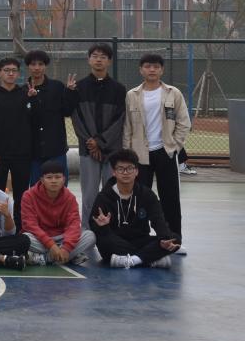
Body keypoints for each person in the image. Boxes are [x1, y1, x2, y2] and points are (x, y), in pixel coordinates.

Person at [122, 53, 190, 247]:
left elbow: (184, 122)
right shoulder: (132, 95)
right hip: (139, 155)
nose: (152, 70)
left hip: (165, 152)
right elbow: (127, 127)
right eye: (147, 66)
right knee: (138, 197)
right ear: (141, 70)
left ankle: (173, 239)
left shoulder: (173, 93)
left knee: (170, 198)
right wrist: (128, 154)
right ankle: (139, 237)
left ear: (162, 70)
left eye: (156, 66)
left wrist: (174, 146)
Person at [90, 149, 180, 269]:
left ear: (136, 171)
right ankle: (149, 259)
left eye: (130, 168)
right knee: (104, 242)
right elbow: (93, 223)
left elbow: (158, 220)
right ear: (114, 172)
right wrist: (103, 226)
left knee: (175, 239)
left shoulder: (147, 194)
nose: (125, 172)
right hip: (115, 241)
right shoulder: (104, 196)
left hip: (140, 240)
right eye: (120, 169)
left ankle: (132, 260)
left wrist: (164, 238)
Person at [71, 42, 127, 229]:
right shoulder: (78, 87)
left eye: (103, 57)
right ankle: (87, 231)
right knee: (89, 195)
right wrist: (91, 143)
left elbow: (119, 120)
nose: (98, 60)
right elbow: (77, 119)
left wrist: (100, 142)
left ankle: (112, 230)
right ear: (89, 60)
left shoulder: (119, 89)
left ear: (109, 61)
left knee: (112, 192)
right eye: (95, 56)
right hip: (88, 151)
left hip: (112, 152)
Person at [0, 57, 34, 230]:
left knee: (22, 194)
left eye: (14, 70)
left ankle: (20, 228)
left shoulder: (26, 94)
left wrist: (33, 101)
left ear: (18, 73)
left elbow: (33, 121)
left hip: (22, 153)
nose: (10, 73)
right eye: (6, 70)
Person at [21, 160, 96, 266]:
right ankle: (71, 256)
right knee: (24, 238)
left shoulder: (70, 198)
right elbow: (30, 225)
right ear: (42, 180)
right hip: (40, 240)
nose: (54, 181)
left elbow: (73, 225)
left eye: (57, 177)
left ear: (63, 179)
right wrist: (51, 245)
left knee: (90, 236)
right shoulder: (29, 196)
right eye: (49, 177)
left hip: (62, 237)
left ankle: (46, 258)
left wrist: (66, 248)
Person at [24, 50, 78, 184]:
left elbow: (67, 111)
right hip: (33, 150)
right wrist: (30, 99)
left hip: (56, 148)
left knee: (59, 186)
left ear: (45, 66)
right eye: (33, 64)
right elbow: (23, 118)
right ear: (28, 66)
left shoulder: (57, 87)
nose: (37, 68)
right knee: (36, 188)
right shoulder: (22, 90)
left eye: (40, 64)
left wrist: (70, 92)